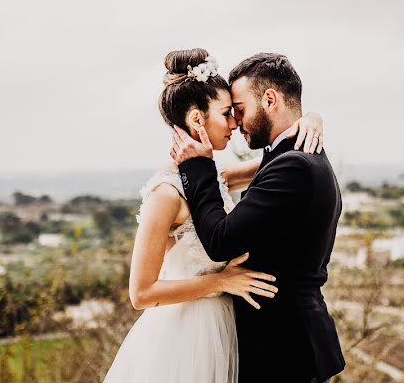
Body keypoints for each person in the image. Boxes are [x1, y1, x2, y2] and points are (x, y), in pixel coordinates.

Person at [103, 49, 325, 383]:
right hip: (187, 336)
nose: (236, 123)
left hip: (226, 327)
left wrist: (309, 120)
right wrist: (219, 282)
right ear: (196, 120)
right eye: (227, 113)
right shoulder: (165, 194)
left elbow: (279, 161)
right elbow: (141, 293)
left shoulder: (211, 179)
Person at [171, 52, 345, 383]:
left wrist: (198, 166)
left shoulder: (294, 166)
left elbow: (220, 242)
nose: (236, 124)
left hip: (282, 346)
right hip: (287, 340)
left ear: (269, 99)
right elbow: (243, 173)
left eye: (240, 110)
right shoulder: (295, 154)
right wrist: (311, 118)